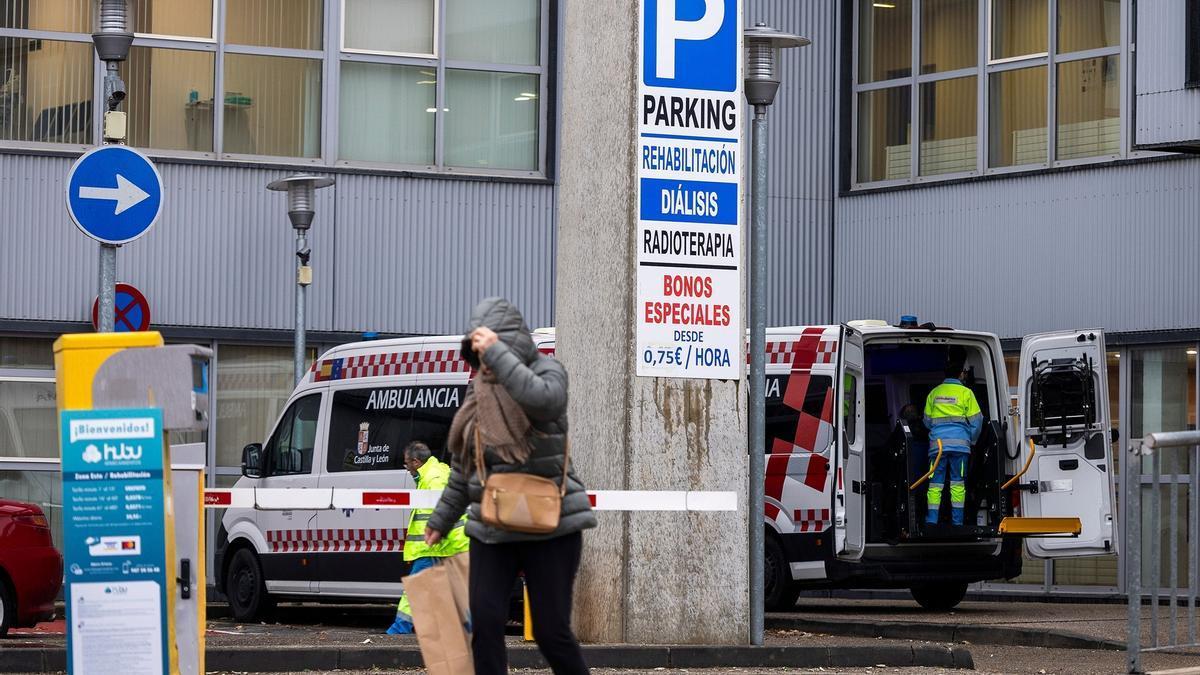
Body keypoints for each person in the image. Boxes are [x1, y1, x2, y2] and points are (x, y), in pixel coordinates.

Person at [425, 297, 596, 675]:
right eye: (480, 351)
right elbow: (463, 467)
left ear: (508, 342)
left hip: (552, 523)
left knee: (552, 632)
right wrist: (440, 519)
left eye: (489, 348)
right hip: (493, 525)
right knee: (485, 625)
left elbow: (543, 401)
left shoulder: (549, 371)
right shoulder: (477, 392)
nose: (484, 361)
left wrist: (498, 354)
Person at [385, 441, 469, 635]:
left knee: (415, 590)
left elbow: (445, 513)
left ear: (415, 462)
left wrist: (437, 539)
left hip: (440, 546)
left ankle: (397, 632)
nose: (406, 469)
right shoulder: (432, 474)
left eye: (406, 464)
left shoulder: (434, 478)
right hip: (446, 545)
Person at [923, 347, 983, 526]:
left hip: (937, 447)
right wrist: (971, 440)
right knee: (957, 484)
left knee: (935, 484)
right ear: (960, 375)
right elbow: (977, 421)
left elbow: (926, 421)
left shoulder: (934, 393)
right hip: (960, 447)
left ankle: (932, 520)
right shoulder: (966, 393)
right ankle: (957, 522)